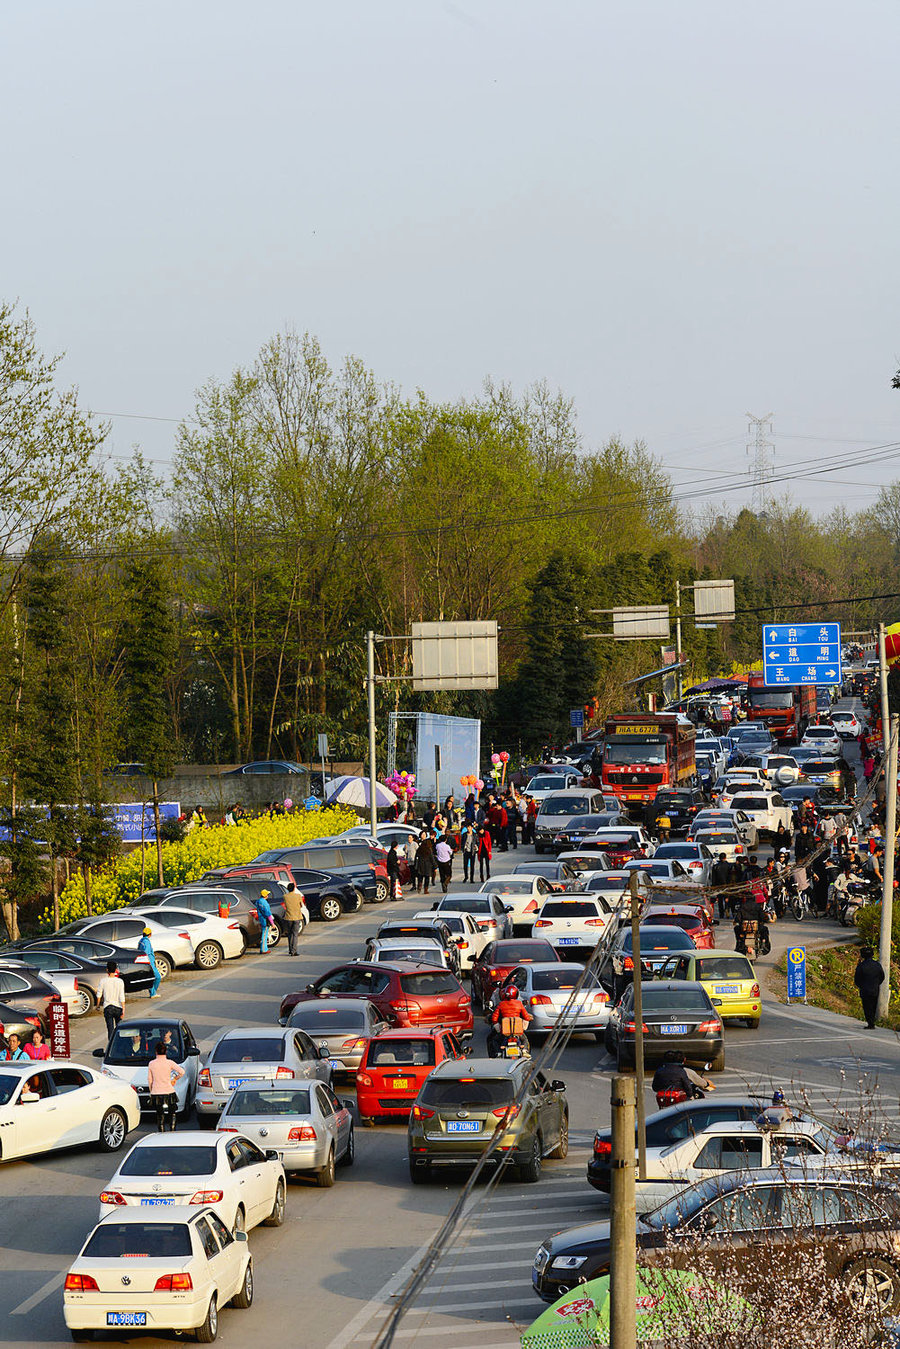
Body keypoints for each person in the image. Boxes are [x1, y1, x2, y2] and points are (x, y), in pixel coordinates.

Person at [147, 1040, 185, 1133]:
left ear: (156, 1051)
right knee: (172, 1112)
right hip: (168, 1090)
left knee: (160, 1114)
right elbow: (182, 1072)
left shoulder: (152, 1064)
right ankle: (172, 1130)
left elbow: (150, 1080)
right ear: (166, 1051)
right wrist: (175, 1079)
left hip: (157, 1091)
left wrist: (151, 1091)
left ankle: (161, 1132)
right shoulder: (169, 1063)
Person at [488, 983, 532, 1057]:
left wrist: (498, 1028)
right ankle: (524, 1050)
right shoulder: (519, 1004)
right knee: (525, 1040)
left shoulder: (501, 1004)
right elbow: (526, 1017)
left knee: (494, 1040)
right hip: (517, 1031)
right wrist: (524, 1027)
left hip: (504, 1031)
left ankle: (498, 1053)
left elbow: (494, 1018)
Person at [854, 946, 885, 1029]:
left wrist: (861, 986)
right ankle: (872, 1022)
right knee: (873, 1005)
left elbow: (857, 979)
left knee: (867, 1007)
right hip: (875, 989)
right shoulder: (877, 965)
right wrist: (876, 984)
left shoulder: (861, 966)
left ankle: (870, 1023)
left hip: (865, 989)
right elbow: (882, 976)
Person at [98, 960, 126, 1045]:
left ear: (107, 970)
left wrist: (98, 1005)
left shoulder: (103, 981)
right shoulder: (120, 981)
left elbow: (99, 994)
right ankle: (120, 1045)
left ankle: (111, 1046)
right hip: (118, 1007)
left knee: (110, 1029)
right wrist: (123, 1009)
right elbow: (122, 996)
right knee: (119, 1028)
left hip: (108, 1007)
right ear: (116, 970)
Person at [282, 882, 306, 956]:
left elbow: (285, 905)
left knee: (289, 934)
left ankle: (290, 949)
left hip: (288, 917)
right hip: (297, 917)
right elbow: (301, 905)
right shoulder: (298, 896)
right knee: (295, 934)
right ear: (294, 888)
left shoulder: (285, 896)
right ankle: (294, 951)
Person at [139, 926, 162, 997]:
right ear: (150, 934)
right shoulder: (146, 942)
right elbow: (147, 952)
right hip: (149, 962)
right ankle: (153, 993)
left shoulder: (141, 941)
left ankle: (152, 992)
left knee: (151, 977)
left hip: (145, 962)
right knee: (157, 977)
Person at [710, 853, 732, 921]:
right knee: (727, 899)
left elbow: (713, 878)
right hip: (727, 885)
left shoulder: (715, 866)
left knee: (720, 900)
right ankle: (727, 909)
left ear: (719, 858)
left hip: (718, 885)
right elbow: (730, 877)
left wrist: (713, 887)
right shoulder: (729, 866)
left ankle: (721, 914)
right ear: (725, 858)